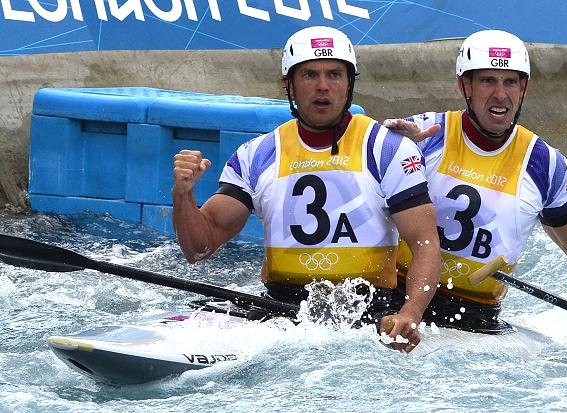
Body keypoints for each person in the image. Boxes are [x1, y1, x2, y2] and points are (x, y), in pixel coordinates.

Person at [172, 26, 441, 352]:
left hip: (368, 311)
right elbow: (198, 249)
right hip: (280, 309)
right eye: (310, 75)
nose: (323, 86)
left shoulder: (388, 150)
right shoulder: (256, 156)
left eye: (335, 75)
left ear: (350, 82)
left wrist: (409, 314)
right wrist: (183, 195)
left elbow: (425, 244)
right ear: (289, 85)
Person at [384, 29, 567, 342]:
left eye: (510, 82)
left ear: (523, 88)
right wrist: (387, 149)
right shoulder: (424, 135)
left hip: (478, 323)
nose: (500, 94)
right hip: (395, 305)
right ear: (464, 85)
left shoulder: (545, 164)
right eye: (488, 81)